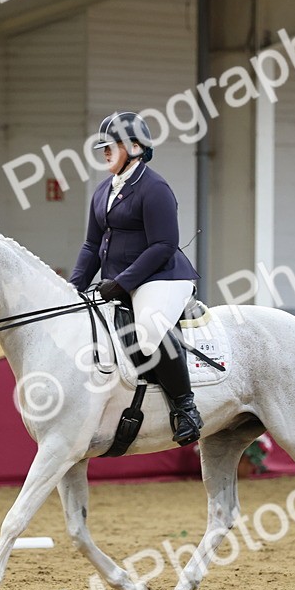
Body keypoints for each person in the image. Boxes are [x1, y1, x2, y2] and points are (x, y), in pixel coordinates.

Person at [69, 111, 203, 446]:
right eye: (103, 147)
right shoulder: (103, 191)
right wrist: (72, 288)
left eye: (111, 146)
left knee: (149, 330)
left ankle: (185, 407)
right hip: (122, 281)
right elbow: (91, 244)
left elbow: (164, 244)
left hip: (162, 278)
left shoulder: (154, 187)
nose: (105, 152)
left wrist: (123, 283)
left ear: (135, 146)